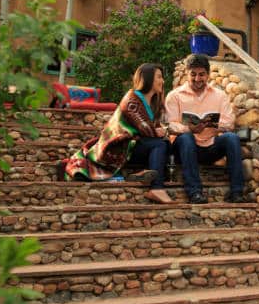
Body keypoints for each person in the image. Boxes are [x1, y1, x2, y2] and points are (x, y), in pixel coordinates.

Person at [63, 63, 173, 204]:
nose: (162, 81)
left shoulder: (154, 103)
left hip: (136, 146)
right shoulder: (132, 98)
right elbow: (145, 128)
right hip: (120, 145)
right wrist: (158, 131)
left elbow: (154, 129)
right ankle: (157, 188)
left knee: (165, 144)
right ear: (147, 78)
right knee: (159, 144)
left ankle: (141, 174)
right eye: (159, 77)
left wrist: (162, 131)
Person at [165, 54, 245, 204]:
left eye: (201, 74)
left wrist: (214, 126)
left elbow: (229, 123)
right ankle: (195, 192)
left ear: (207, 75)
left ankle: (237, 192)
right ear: (187, 74)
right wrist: (190, 129)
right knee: (186, 137)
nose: (197, 79)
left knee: (232, 138)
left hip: (210, 146)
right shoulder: (174, 96)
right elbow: (170, 125)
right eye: (193, 74)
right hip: (184, 148)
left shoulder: (220, 95)